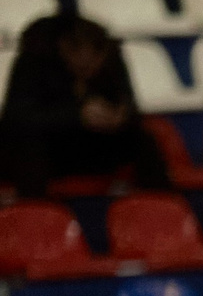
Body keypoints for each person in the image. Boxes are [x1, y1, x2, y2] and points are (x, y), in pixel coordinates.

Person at [0, 14, 172, 201]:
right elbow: (16, 118)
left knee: (143, 140)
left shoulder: (111, 60)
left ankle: (163, 207)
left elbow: (130, 106)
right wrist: (75, 116)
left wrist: (120, 116)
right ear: (65, 48)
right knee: (29, 149)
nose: (90, 65)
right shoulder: (34, 62)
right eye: (80, 57)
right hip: (49, 149)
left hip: (91, 146)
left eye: (96, 59)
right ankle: (35, 215)